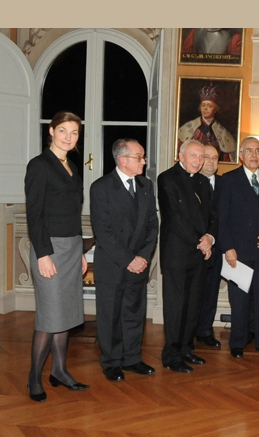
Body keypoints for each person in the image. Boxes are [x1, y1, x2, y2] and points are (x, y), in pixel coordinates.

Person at [24, 111, 90, 401]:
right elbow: (34, 214)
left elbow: (73, 214)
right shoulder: (39, 166)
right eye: (63, 131)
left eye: (74, 132)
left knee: (66, 315)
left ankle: (60, 371)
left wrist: (80, 252)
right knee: (49, 318)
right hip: (48, 249)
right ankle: (33, 377)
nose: (68, 137)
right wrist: (43, 254)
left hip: (71, 248)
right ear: (51, 131)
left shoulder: (72, 167)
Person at [90, 138, 159, 382]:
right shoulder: (101, 187)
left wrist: (142, 256)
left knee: (134, 312)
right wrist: (129, 259)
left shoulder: (146, 186)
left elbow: (153, 225)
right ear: (123, 160)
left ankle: (132, 358)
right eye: (139, 157)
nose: (144, 161)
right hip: (113, 264)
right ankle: (111, 362)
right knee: (110, 315)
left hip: (138, 263)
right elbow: (104, 232)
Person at [217, 137, 259, 359]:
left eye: (257, 150)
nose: (255, 155)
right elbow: (221, 219)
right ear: (241, 155)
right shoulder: (228, 180)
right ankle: (237, 342)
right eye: (249, 151)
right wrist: (228, 248)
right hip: (238, 252)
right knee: (239, 300)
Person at [157, 139, 218, 373]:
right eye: (193, 156)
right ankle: (171, 354)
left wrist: (210, 237)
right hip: (178, 254)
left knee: (193, 305)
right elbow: (175, 219)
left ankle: (185, 348)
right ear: (180, 156)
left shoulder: (203, 182)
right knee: (176, 306)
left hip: (201, 253)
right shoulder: (167, 179)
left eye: (201, 157)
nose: (198, 161)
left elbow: (213, 214)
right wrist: (200, 242)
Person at [195, 144, 223, 349]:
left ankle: (205, 330)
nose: (211, 161)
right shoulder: (191, 183)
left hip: (219, 247)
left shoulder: (225, 184)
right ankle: (189, 332)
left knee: (211, 291)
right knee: (194, 292)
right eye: (207, 157)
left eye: (215, 158)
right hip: (194, 248)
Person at [177, 83, 236, 162]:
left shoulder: (223, 132)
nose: (205, 108)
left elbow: (227, 159)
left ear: (215, 109)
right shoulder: (188, 127)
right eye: (203, 105)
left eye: (209, 106)